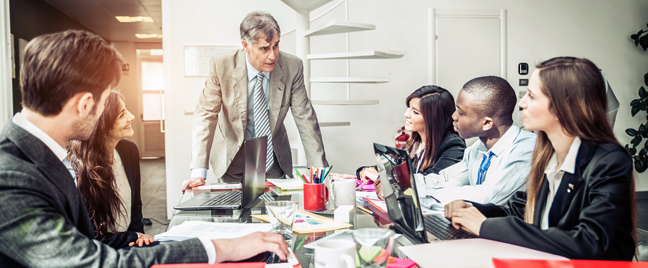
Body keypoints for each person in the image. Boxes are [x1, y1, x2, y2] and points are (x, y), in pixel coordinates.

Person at [0, 30, 289, 267]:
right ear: (85, 104)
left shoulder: (41, 155)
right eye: (103, 104)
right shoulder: (10, 177)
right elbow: (88, 261)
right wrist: (217, 248)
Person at [445, 57, 636, 260]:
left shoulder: (609, 160)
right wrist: (469, 208)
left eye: (531, 96)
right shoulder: (549, 155)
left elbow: (590, 241)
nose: (521, 103)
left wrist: (484, 226)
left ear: (562, 107)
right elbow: (519, 209)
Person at [183, 11, 327, 190]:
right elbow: (205, 116)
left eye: (276, 45)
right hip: (231, 156)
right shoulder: (222, 65)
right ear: (245, 45)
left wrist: (319, 171)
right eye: (264, 48)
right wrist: (198, 172)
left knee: (274, 211)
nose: (273, 55)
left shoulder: (292, 66)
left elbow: (305, 117)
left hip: (272, 158)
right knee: (234, 212)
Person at [417, 76, 536, 206]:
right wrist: (408, 183)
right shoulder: (479, 147)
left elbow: (487, 197)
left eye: (461, 113)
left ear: (486, 123)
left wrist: (427, 194)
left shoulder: (525, 150)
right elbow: (449, 179)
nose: (454, 116)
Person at [67, 90, 155, 248]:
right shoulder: (80, 168)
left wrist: (140, 241)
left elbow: (136, 207)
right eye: (122, 114)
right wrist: (132, 237)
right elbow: (91, 237)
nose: (131, 116)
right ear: (103, 127)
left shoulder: (129, 151)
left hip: (129, 244)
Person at [351, 85, 466, 200]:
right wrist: (364, 170)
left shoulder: (453, 145)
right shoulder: (415, 142)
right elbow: (392, 169)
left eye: (415, 112)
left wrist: (378, 177)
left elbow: (431, 184)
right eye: (409, 108)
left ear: (433, 118)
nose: (406, 114)